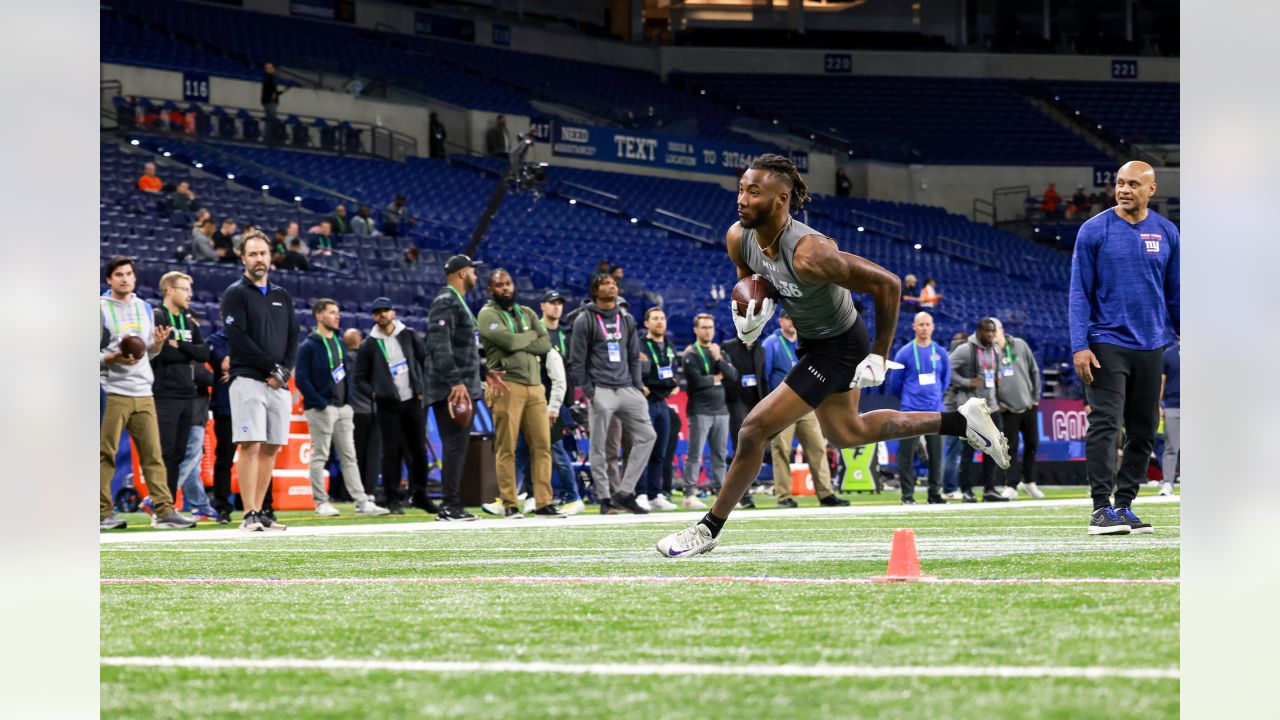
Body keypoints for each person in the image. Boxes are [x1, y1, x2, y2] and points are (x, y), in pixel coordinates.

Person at [656, 154, 1008, 558]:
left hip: (840, 344)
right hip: (812, 340)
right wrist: (753, 309)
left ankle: (707, 529)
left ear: (781, 200)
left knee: (753, 430)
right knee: (848, 434)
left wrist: (878, 354)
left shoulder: (811, 252)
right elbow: (751, 281)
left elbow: (889, 285)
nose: (742, 199)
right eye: (741, 189)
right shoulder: (739, 238)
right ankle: (959, 422)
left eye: (754, 192)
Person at [1069, 160, 1179, 535]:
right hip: (1105, 342)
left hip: (1152, 344)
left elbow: (1175, 294)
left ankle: (1125, 506)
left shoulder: (1167, 232)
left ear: (1152, 189)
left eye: (1133, 184)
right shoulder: (1093, 230)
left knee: (1145, 428)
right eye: (1119, 183)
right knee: (1105, 422)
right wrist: (1079, 345)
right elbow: (1078, 293)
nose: (1124, 189)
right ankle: (1101, 508)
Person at [99, 257, 195, 530]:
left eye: (129, 274)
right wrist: (113, 358)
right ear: (109, 279)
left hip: (144, 390)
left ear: (135, 278)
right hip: (112, 391)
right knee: (105, 454)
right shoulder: (100, 309)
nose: (125, 279)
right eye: (119, 274)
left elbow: (149, 351)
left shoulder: (144, 307)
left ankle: (164, 511)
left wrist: (158, 345)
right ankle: (102, 513)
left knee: (154, 455)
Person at [221, 230, 299, 532]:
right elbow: (237, 339)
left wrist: (285, 371)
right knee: (250, 444)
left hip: (278, 383)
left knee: (271, 446)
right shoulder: (235, 293)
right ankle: (249, 512)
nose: (259, 259)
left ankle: (262, 509)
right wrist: (272, 366)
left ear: (270, 257)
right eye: (252, 254)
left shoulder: (282, 295)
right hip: (249, 380)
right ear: (243, 258)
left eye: (263, 253)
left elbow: (293, 335)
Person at [426, 255, 506, 520]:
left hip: (462, 386)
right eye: (473, 270)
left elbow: (466, 348)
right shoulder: (446, 300)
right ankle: (449, 505)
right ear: (462, 273)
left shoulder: (459, 302)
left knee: (457, 445)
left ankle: (451, 504)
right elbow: (439, 345)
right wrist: (456, 381)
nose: (476, 275)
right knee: (455, 445)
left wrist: (486, 373)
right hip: (451, 389)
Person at [569, 273, 657, 514]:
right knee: (598, 447)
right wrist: (589, 391)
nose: (612, 287)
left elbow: (633, 355)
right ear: (595, 290)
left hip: (627, 387)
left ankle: (625, 492)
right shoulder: (584, 320)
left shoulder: (626, 318)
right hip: (601, 389)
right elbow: (577, 360)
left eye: (614, 284)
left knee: (648, 436)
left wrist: (637, 386)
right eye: (606, 283)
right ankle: (605, 498)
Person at [478, 269, 562, 518]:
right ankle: (510, 502)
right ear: (490, 290)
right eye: (499, 285)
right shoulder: (487, 314)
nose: (505, 288)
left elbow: (546, 344)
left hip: (536, 387)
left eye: (508, 284)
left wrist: (523, 338)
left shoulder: (527, 312)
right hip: (506, 385)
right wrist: (532, 335)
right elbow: (509, 343)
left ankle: (544, 503)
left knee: (543, 446)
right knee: (507, 447)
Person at [296, 299, 389, 517]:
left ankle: (362, 501)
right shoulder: (309, 345)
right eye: (331, 312)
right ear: (319, 316)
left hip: (343, 408)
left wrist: (347, 402)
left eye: (338, 312)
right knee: (320, 455)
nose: (337, 316)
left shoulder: (338, 342)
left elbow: (346, 374)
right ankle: (321, 502)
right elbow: (301, 379)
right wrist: (320, 403)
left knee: (350, 457)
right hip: (321, 409)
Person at [356, 297, 438, 517]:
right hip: (387, 405)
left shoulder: (409, 335)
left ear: (393, 312)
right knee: (390, 453)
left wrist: (423, 388)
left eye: (386, 310)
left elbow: (426, 362)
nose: (382, 314)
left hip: (413, 401)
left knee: (419, 451)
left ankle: (420, 494)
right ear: (373, 316)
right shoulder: (369, 345)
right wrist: (375, 393)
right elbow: (359, 378)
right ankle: (393, 499)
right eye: (378, 312)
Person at [759, 309, 845, 510]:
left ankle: (826, 494)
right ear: (781, 321)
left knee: (817, 448)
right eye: (788, 318)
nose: (792, 322)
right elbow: (765, 374)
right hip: (781, 406)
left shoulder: (806, 341)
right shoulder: (770, 344)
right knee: (781, 450)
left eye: (795, 318)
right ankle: (783, 496)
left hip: (807, 404)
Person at [150, 271, 209, 505]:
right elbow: (163, 353)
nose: (190, 294)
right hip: (164, 394)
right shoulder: (157, 316)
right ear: (170, 290)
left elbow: (203, 353)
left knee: (178, 454)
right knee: (165, 453)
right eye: (185, 289)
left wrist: (180, 345)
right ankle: (159, 505)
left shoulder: (186, 321)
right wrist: (186, 351)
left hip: (187, 394)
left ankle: (170, 505)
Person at [887, 312, 951, 504]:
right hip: (910, 412)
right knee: (906, 456)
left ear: (933, 327)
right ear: (914, 327)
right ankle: (907, 496)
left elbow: (945, 380)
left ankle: (934, 494)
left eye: (927, 324)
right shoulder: (904, 353)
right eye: (921, 324)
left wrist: (935, 399)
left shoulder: (940, 353)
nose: (924, 328)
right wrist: (909, 400)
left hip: (935, 412)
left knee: (937, 456)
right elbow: (895, 383)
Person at [946, 318, 1009, 503]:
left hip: (992, 406)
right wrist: (966, 382)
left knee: (995, 449)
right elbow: (947, 368)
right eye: (987, 331)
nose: (990, 334)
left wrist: (997, 378)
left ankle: (989, 489)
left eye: (993, 331)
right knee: (968, 451)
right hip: (971, 408)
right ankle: (967, 490)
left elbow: (993, 370)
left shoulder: (996, 349)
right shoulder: (966, 349)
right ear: (978, 331)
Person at [993, 319, 1044, 499]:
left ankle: (1029, 482)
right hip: (1007, 409)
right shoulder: (989, 353)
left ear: (1002, 330)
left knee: (1032, 443)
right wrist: (998, 404)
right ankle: (1011, 484)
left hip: (1028, 404)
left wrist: (1035, 397)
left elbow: (1034, 371)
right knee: (1010, 448)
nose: (992, 334)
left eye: (995, 330)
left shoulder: (1020, 345)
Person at [638, 306, 680, 511]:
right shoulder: (640, 346)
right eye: (655, 318)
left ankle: (655, 493)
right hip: (644, 401)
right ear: (646, 323)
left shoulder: (670, 346)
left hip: (662, 403)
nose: (659, 322)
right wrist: (639, 385)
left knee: (660, 452)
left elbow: (674, 371)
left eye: (662, 318)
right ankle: (640, 493)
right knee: (643, 449)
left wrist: (676, 384)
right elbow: (633, 368)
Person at [176, 343, 218, 521]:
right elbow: (206, 377)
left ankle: (200, 504)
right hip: (192, 416)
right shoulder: (190, 357)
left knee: (194, 462)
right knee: (190, 458)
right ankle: (160, 498)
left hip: (193, 414)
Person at [343, 328, 381, 502]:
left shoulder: (343, 359)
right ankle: (370, 491)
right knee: (373, 453)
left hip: (354, 411)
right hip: (373, 409)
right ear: (358, 339)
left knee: (354, 453)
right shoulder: (369, 358)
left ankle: (353, 492)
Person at [1159, 341, 1180, 496]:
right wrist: (1158, 404)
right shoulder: (1168, 354)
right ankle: (1168, 483)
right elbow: (1161, 382)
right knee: (1171, 447)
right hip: (1173, 406)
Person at [261, 62, 286, 139]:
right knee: (271, 119)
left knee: (270, 119)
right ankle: (269, 136)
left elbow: (273, 93)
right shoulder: (269, 80)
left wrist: (282, 91)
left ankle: (269, 136)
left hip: (269, 102)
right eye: (270, 68)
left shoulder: (269, 80)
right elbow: (273, 93)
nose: (273, 69)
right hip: (270, 102)